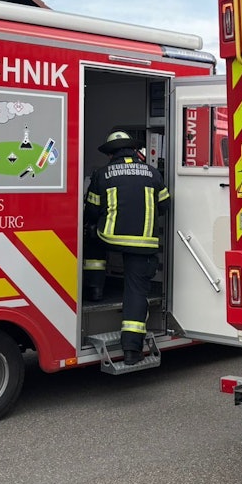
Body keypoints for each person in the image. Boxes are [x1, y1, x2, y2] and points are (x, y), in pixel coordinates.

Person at [83, 131, 170, 365]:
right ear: (133, 151)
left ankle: (94, 289)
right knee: (135, 292)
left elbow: (90, 211)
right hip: (143, 243)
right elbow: (165, 205)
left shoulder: (102, 174)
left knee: (90, 236)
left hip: (109, 237)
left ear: (111, 153)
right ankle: (131, 351)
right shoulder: (152, 173)